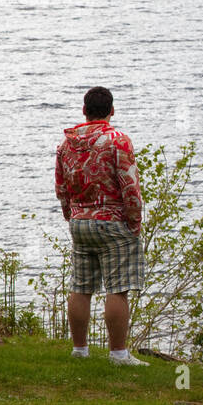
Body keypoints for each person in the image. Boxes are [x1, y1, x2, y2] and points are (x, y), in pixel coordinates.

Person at [55, 86, 148, 365]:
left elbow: (61, 188)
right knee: (117, 288)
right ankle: (119, 354)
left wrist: (70, 216)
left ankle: (79, 350)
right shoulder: (118, 140)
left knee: (81, 287)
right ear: (112, 111)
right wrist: (134, 222)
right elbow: (130, 187)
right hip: (112, 223)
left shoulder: (65, 145)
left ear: (84, 111)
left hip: (80, 223)